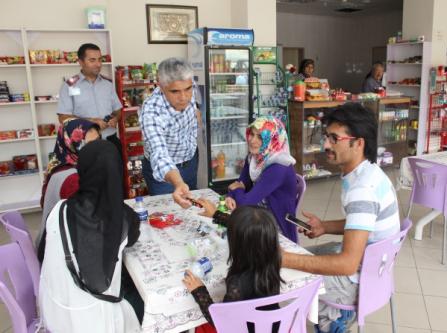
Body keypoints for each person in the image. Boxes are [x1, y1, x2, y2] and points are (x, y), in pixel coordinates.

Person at [281, 103, 400, 333]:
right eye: (326, 136)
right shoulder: (369, 172)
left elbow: (346, 264)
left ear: (358, 143)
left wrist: (284, 260)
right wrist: (324, 227)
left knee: (286, 269)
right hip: (376, 268)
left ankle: (336, 319)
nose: (325, 144)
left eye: (334, 138)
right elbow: (364, 224)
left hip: (357, 280)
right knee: (299, 256)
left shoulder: (362, 189)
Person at [39, 140, 141, 333]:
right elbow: (133, 238)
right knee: (141, 296)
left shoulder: (59, 209)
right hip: (98, 321)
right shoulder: (123, 218)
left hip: (55, 309)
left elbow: (43, 252)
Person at [183, 205, 283, 333]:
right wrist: (217, 215)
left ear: (237, 243)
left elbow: (221, 322)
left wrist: (199, 291)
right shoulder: (274, 261)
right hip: (272, 327)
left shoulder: (238, 281)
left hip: (243, 329)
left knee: (199, 326)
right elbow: (250, 230)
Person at [225, 116, 298, 242]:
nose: (252, 140)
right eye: (251, 134)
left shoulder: (279, 166)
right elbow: (240, 183)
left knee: (228, 233)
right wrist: (231, 195)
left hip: (275, 225)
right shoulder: (256, 157)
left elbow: (244, 202)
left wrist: (236, 190)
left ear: (273, 139)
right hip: (258, 212)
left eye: (260, 137)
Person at [36, 118, 101, 261]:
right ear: (71, 144)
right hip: (61, 258)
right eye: (87, 144)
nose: (97, 149)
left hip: (55, 245)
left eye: (98, 142)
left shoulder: (60, 166)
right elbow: (91, 226)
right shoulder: (72, 179)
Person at [140, 57, 199, 207]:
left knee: (192, 210)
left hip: (190, 160)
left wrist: (196, 112)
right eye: (175, 91)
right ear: (161, 86)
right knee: (169, 216)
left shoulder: (188, 84)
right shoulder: (151, 111)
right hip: (166, 174)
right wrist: (178, 182)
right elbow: (159, 154)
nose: (184, 97)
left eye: (188, 89)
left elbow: (195, 105)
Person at [56, 43, 123, 153]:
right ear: (81, 62)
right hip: (85, 143)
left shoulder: (108, 84)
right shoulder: (69, 85)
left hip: (111, 140)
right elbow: (63, 118)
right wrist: (91, 122)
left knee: (116, 170)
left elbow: (117, 110)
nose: (98, 64)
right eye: (92, 60)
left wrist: (115, 118)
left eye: (99, 59)